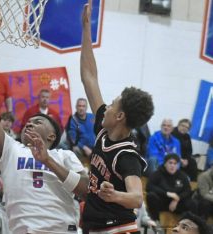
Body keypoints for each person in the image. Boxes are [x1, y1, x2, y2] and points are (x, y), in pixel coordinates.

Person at [0, 31, 89, 233]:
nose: (29, 124)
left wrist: (48, 161)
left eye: (37, 121)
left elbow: (87, 190)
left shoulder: (64, 155)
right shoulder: (11, 149)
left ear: (51, 136)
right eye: (27, 122)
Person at [80, 1, 154, 233]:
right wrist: (85, 28)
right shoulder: (104, 127)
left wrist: (115, 195)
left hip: (118, 229)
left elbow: (136, 199)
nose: (107, 106)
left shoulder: (126, 156)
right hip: (98, 226)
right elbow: (89, 77)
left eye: (112, 104)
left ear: (120, 116)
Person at [146, 154, 197, 221]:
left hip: (176, 203)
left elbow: (188, 190)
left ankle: (186, 225)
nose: (172, 165)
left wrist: (178, 198)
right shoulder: (157, 173)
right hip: (162, 202)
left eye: (175, 163)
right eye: (170, 163)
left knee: (193, 203)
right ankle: (156, 222)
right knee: (151, 196)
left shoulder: (182, 175)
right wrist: (166, 193)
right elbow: (149, 186)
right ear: (165, 164)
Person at [65, 98, 95, 163]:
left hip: (94, 147)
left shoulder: (92, 117)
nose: (81, 108)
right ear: (76, 107)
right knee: (75, 149)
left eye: (83, 106)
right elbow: (73, 140)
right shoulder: (73, 120)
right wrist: (84, 147)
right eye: (79, 106)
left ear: (86, 107)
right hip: (82, 148)